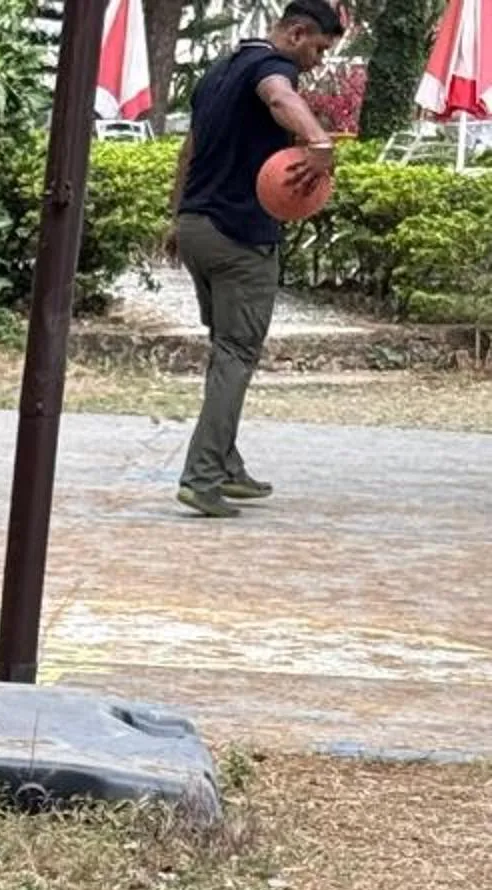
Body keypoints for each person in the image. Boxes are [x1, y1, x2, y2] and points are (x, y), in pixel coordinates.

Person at [165, 0, 347, 518]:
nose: (317, 61)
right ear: (295, 33)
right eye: (317, 48)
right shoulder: (274, 68)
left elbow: (189, 152)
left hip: (197, 228)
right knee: (237, 355)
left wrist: (176, 217)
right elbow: (279, 95)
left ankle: (225, 463)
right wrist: (317, 140)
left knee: (225, 350)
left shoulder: (217, 72)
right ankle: (202, 478)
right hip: (240, 239)